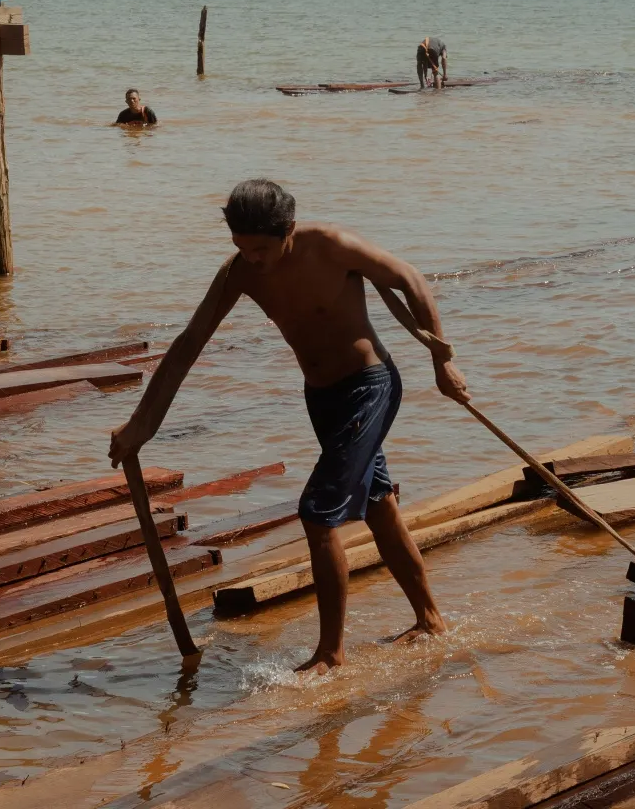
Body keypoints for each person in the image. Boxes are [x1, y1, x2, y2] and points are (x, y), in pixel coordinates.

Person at [109, 179, 468, 671]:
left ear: (289, 232)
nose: (252, 259)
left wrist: (441, 360)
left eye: (261, 249)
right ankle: (430, 620)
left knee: (318, 514)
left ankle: (331, 654)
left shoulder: (331, 245)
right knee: (379, 504)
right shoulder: (239, 273)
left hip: (370, 387)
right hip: (322, 398)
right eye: (241, 248)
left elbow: (410, 279)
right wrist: (140, 425)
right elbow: (188, 345)